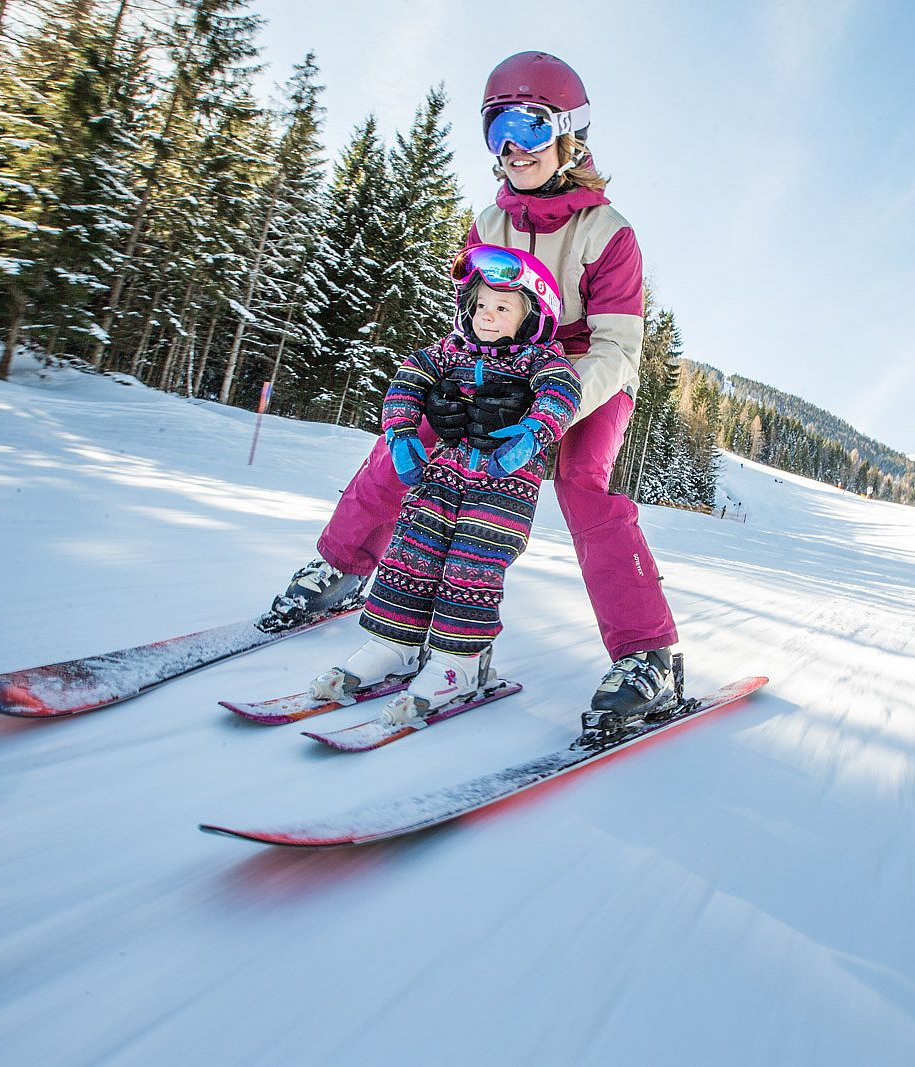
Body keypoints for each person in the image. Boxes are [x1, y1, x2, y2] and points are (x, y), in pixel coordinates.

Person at [265, 51, 680, 730]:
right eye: (497, 131)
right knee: (414, 439)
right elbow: (474, 313)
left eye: (530, 127)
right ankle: (337, 566)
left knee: (584, 483)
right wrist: (456, 380)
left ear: (569, 134)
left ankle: (647, 654)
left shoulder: (611, 234)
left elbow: (616, 347)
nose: (513, 149)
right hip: (498, 363)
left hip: (585, 375)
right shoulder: (489, 224)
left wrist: (547, 404)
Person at [308, 245, 580, 723]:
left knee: (471, 566)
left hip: (504, 481)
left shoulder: (540, 360)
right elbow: (408, 379)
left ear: (531, 315)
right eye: (479, 306)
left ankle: (460, 662)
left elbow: (563, 390)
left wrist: (535, 431)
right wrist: (401, 431)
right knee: (411, 552)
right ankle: (393, 646)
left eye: (502, 308)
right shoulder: (448, 352)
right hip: (442, 472)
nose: (487, 317)